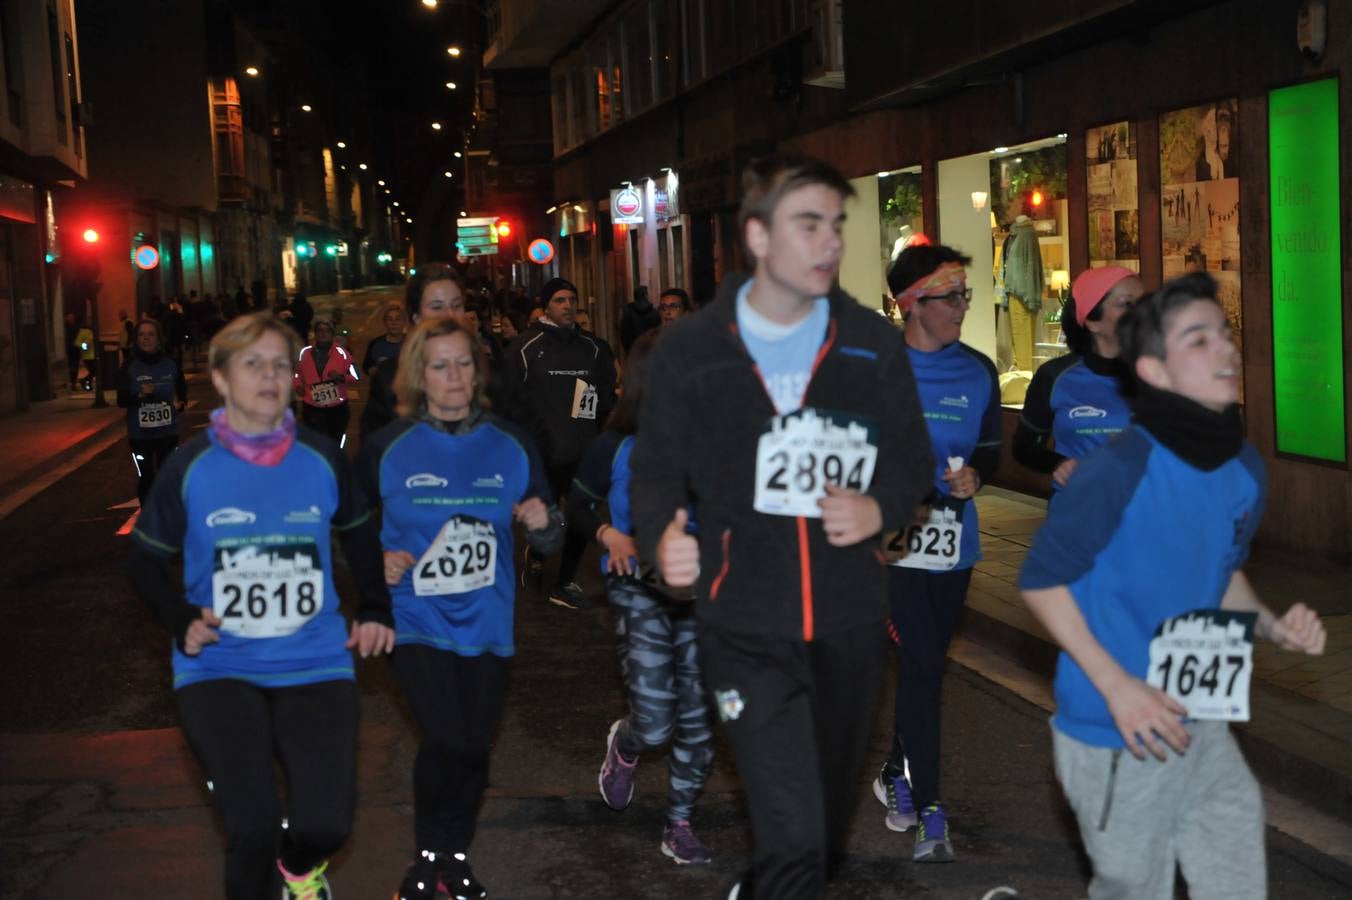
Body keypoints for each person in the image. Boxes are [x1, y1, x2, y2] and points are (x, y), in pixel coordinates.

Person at [631, 153, 933, 899]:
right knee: (792, 826)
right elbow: (656, 470)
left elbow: (910, 461)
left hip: (851, 620)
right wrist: (661, 537)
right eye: (809, 225)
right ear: (758, 237)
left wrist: (880, 507)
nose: (830, 242)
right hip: (744, 624)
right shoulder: (692, 349)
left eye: (836, 225)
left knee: (820, 837)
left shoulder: (870, 340)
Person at [1019, 273, 1326, 900]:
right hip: (1115, 729)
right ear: (1154, 370)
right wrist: (1119, 689)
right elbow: (1043, 582)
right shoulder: (1118, 470)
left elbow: (1221, 573)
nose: (1225, 350)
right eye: (1198, 339)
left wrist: (1271, 625)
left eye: (1224, 332)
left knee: (1237, 877)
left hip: (1203, 716)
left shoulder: (1242, 467)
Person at [127, 312, 396, 900]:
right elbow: (145, 562)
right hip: (220, 666)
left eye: (280, 363)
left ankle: (298, 867)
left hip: (315, 660)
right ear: (221, 380)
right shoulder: (188, 467)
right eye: (253, 364)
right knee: (250, 828)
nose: (270, 376)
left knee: (327, 824)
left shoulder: (322, 458)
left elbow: (357, 535)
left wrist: (375, 606)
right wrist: (180, 619)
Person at [356, 317, 562, 900]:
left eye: (464, 363)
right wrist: (378, 558)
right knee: (446, 736)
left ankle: (454, 856)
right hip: (414, 619)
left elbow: (550, 531)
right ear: (420, 374)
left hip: (487, 622)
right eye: (440, 365)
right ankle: (427, 859)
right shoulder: (387, 448)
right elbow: (344, 527)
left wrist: (545, 526)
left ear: (479, 370)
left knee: (474, 745)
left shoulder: (510, 443)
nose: (454, 376)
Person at [871, 243, 1001, 862]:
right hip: (890, 542)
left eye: (964, 295)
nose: (962, 307)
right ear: (911, 304)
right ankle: (931, 811)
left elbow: (992, 454)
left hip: (955, 544)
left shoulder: (978, 371)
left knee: (925, 668)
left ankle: (897, 769)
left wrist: (975, 477)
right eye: (950, 296)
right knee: (922, 666)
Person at [573, 331, 715, 865]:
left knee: (699, 718)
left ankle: (679, 823)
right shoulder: (613, 446)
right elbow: (581, 507)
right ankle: (627, 744)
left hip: (705, 597)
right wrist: (611, 536)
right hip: (638, 593)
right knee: (657, 720)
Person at [502, 276, 617, 610]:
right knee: (547, 519)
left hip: (583, 451)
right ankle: (537, 552)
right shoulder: (525, 348)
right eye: (560, 300)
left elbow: (603, 396)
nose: (568, 306)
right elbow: (508, 401)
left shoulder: (592, 348)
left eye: (572, 300)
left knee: (583, 515)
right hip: (542, 453)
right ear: (546, 307)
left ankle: (565, 581)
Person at [1013, 267, 1144, 491]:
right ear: (1093, 322)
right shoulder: (1054, 377)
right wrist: (1060, 464)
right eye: (1126, 304)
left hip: (1148, 516)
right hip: (1077, 513)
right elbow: (1024, 448)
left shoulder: (1166, 377)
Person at [360, 263, 470, 441]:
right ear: (416, 317)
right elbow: (375, 447)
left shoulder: (492, 374)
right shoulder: (389, 378)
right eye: (436, 307)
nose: (450, 315)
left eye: (457, 305)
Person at [115, 318, 188, 504]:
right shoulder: (129, 366)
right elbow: (121, 400)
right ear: (136, 339)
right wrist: (140, 394)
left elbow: (181, 387)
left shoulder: (171, 364)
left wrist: (182, 402)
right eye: (141, 335)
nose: (146, 338)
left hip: (167, 431)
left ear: (159, 339)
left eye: (150, 334)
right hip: (140, 434)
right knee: (146, 475)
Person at [295, 319, 359, 445]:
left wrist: (341, 377)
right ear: (315, 333)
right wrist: (297, 385)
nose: (323, 334)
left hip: (337, 409)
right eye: (320, 330)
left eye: (327, 330)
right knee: (315, 443)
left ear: (332, 333)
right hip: (312, 408)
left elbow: (356, 376)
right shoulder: (305, 353)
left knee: (335, 443)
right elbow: (296, 372)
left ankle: (336, 462)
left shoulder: (343, 353)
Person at [363, 304, 407, 375]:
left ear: (404, 322)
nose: (394, 323)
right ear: (385, 323)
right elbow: (367, 367)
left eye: (398, 319)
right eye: (390, 319)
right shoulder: (375, 343)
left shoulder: (412, 343)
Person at [619, 285, 660, 353]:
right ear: (646, 295)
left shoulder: (628, 312)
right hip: (651, 351)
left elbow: (624, 334)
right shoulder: (654, 312)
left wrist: (628, 350)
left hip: (633, 351)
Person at [64, 312, 82, 391]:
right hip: (70, 350)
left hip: (75, 350)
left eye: (72, 318)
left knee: (75, 366)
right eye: (69, 318)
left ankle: (73, 382)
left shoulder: (76, 328)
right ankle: (72, 382)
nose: (71, 319)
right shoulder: (65, 328)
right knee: (72, 367)